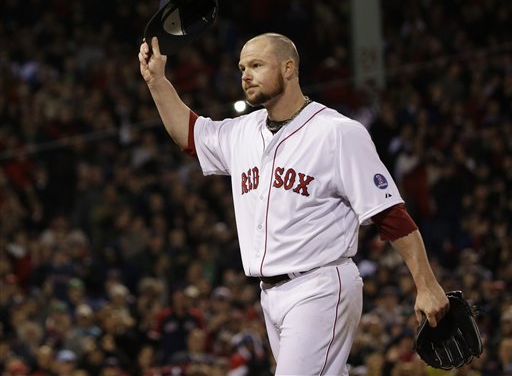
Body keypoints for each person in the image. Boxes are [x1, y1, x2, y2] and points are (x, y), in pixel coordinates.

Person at [138, 32, 449, 375]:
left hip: (320, 285)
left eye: (256, 65)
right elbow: (190, 133)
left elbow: (390, 214)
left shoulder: (337, 132)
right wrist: (157, 82)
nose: (245, 74)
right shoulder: (243, 132)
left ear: (289, 68)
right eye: (242, 67)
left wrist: (426, 284)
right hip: (270, 293)